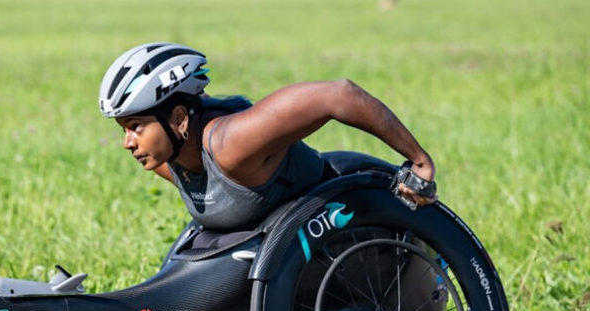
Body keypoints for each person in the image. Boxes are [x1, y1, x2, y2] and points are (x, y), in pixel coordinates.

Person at [99, 42, 438, 231]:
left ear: (177, 118)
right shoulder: (167, 159)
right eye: (124, 130)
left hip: (358, 220)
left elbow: (339, 94)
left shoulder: (232, 145)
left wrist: (419, 162)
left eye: (136, 127)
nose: (127, 143)